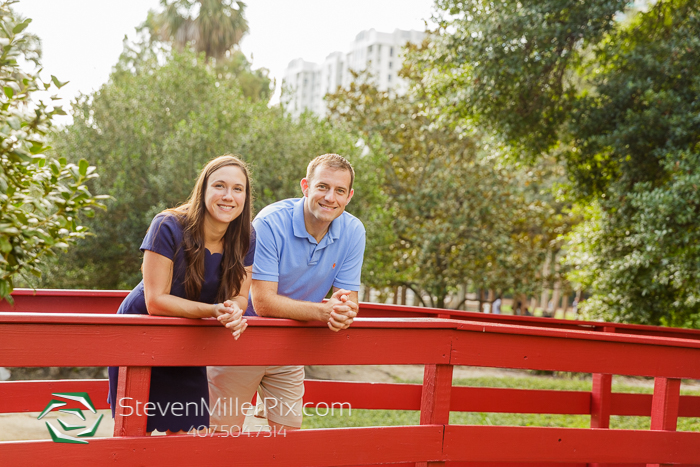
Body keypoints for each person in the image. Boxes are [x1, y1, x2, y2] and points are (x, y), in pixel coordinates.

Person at [208, 153, 366, 433]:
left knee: (287, 441)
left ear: (349, 195)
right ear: (306, 186)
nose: (330, 197)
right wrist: (323, 312)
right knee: (218, 436)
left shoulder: (354, 231)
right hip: (241, 337)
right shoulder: (269, 223)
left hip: (291, 346)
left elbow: (347, 296)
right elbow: (263, 302)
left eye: (339, 190)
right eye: (322, 187)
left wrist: (345, 309)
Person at [108, 155, 255, 434]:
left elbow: (240, 295)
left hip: (189, 338)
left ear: (245, 197)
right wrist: (213, 311)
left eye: (238, 189)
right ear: (203, 190)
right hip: (141, 333)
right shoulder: (167, 225)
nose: (228, 196)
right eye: (219, 186)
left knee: (189, 432)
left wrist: (234, 308)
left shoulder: (246, 236)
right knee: (137, 431)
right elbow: (156, 301)